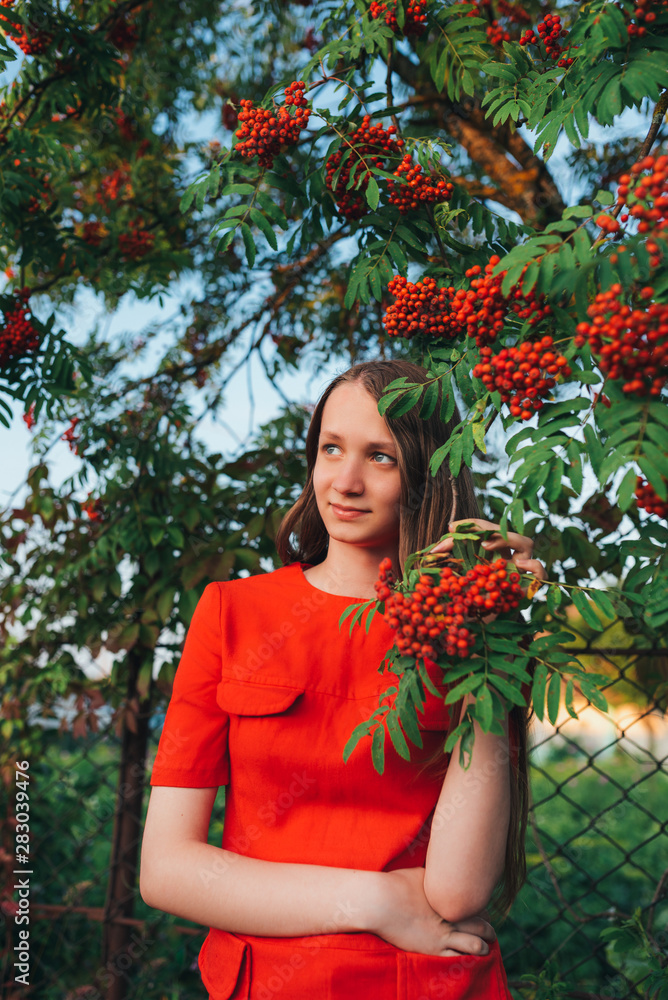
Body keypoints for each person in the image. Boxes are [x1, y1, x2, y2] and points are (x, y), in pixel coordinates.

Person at [140, 358, 547, 1000]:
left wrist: (491, 637)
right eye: (332, 449)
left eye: (381, 457)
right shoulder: (233, 613)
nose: (346, 482)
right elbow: (166, 870)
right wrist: (375, 900)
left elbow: (457, 893)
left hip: (422, 982)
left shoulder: (463, 631)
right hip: (270, 984)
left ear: (429, 472)